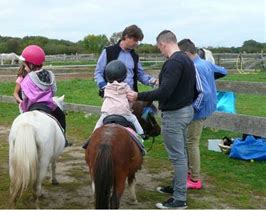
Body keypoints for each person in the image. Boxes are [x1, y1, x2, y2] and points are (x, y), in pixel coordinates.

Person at [127, 30, 197, 209]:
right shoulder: (186, 60)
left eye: (159, 48)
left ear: (164, 44)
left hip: (175, 114)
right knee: (181, 152)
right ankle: (176, 187)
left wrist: (138, 95)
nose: (160, 52)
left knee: (178, 156)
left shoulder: (174, 62)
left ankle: (179, 199)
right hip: (185, 111)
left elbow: (165, 91)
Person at [178, 39, 227, 190]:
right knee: (190, 141)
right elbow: (223, 71)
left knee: (191, 143)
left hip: (199, 111)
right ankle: (189, 172)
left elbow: (203, 92)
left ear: (186, 53)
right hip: (209, 108)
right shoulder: (205, 63)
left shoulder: (195, 67)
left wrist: (193, 109)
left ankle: (194, 179)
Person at [19, 44, 70, 147]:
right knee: (61, 116)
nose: (24, 67)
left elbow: (24, 96)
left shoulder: (27, 78)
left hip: (32, 107)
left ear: (31, 65)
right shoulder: (50, 75)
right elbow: (54, 91)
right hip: (49, 106)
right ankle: (63, 139)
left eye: (25, 65)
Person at [94, 24, 157, 98]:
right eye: (135, 40)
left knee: (149, 107)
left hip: (130, 97)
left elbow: (141, 75)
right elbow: (98, 72)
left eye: (138, 41)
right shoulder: (108, 52)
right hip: (112, 97)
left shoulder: (135, 56)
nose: (137, 43)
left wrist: (153, 81)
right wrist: (104, 87)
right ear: (126, 37)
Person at [92, 60, 144, 136]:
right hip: (123, 113)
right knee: (134, 119)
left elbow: (105, 99)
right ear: (124, 75)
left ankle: (92, 136)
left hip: (107, 113)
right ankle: (141, 134)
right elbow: (131, 99)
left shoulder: (106, 87)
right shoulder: (126, 87)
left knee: (99, 123)